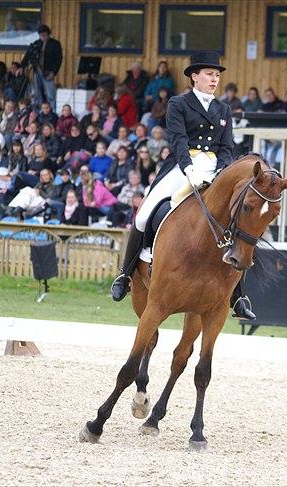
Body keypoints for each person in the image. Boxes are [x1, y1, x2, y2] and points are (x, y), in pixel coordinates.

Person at [110, 51, 253, 319]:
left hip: (215, 168)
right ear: (194, 77)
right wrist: (189, 169)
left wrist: (222, 172)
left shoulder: (223, 110)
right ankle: (125, 274)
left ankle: (238, 295)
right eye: (210, 74)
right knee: (144, 214)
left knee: (236, 220)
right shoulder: (179, 103)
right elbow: (177, 139)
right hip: (181, 165)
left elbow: (227, 146)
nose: (215, 79)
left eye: (217, 75)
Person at [21, 25, 62, 108]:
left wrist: (53, 72)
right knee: (37, 95)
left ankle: (52, 113)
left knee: (50, 95)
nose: (42, 35)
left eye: (44, 33)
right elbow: (28, 55)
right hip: (37, 71)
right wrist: (21, 66)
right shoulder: (36, 43)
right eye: (40, 33)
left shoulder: (55, 44)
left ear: (48, 33)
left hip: (48, 72)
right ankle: (39, 114)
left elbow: (58, 59)